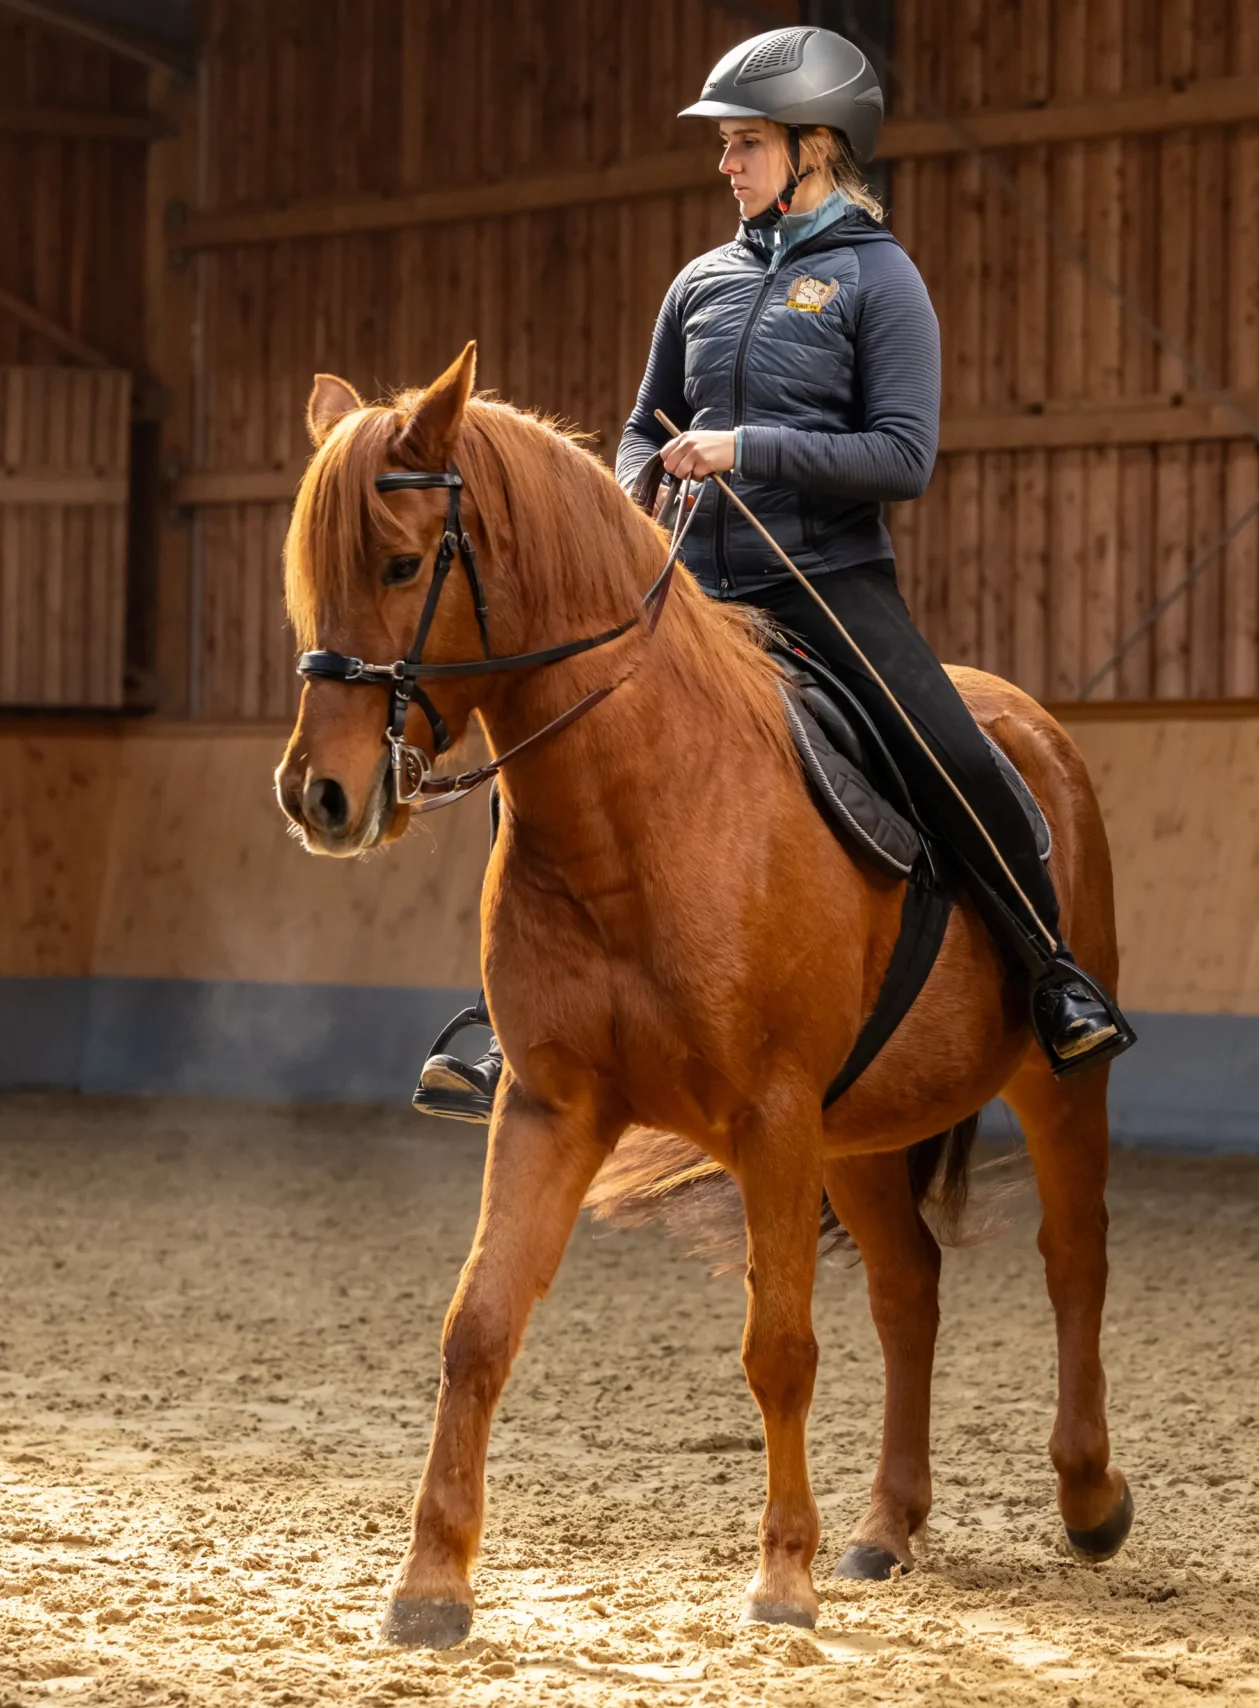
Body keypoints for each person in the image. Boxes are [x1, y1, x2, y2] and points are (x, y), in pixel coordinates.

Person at [413, 25, 1134, 1124]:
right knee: (549, 740)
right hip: (691, 590)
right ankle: (494, 1017)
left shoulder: (878, 283)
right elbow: (641, 427)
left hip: (826, 580)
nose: (725, 163)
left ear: (817, 144)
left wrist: (745, 448)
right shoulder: (697, 281)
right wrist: (634, 495)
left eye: (745, 143)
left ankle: (1050, 972)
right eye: (724, 144)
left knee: (946, 746)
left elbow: (902, 456)